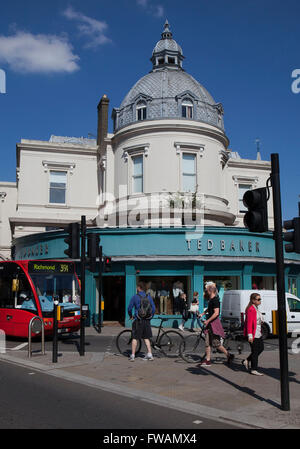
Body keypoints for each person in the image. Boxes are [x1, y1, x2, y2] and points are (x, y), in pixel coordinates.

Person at [199, 284, 234, 367]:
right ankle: (207, 360)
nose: (205, 292)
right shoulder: (211, 300)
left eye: (206, 291)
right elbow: (209, 309)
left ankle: (229, 355)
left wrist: (207, 321)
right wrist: (202, 313)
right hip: (209, 324)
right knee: (207, 343)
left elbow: (216, 313)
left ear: (211, 291)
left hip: (214, 324)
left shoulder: (215, 300)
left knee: (216, 344)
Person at [127, 281, 156, 362]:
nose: (136, 288)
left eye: (137, 287)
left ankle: (132, 355)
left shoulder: (135, 297)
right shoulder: (148, 296)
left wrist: (131, 316)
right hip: (146, 320)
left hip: (138, 320)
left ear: (139, 287)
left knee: (135, 337)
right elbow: (153, 308)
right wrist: (150, 317)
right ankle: (150, 354)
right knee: (146, 337)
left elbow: (129, 308)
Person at [242, 292, 265, 376]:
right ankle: (254, 369)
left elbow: (256, 320)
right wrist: (250, 335)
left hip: (258, 332)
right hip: (253, 333)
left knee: (261, 348)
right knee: (255, 351)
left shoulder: (256, 308)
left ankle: (247, 360)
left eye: (260, 299)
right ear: (253, 300)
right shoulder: (251, 309)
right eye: (258, 299)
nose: (260, 300)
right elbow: (249, 323)